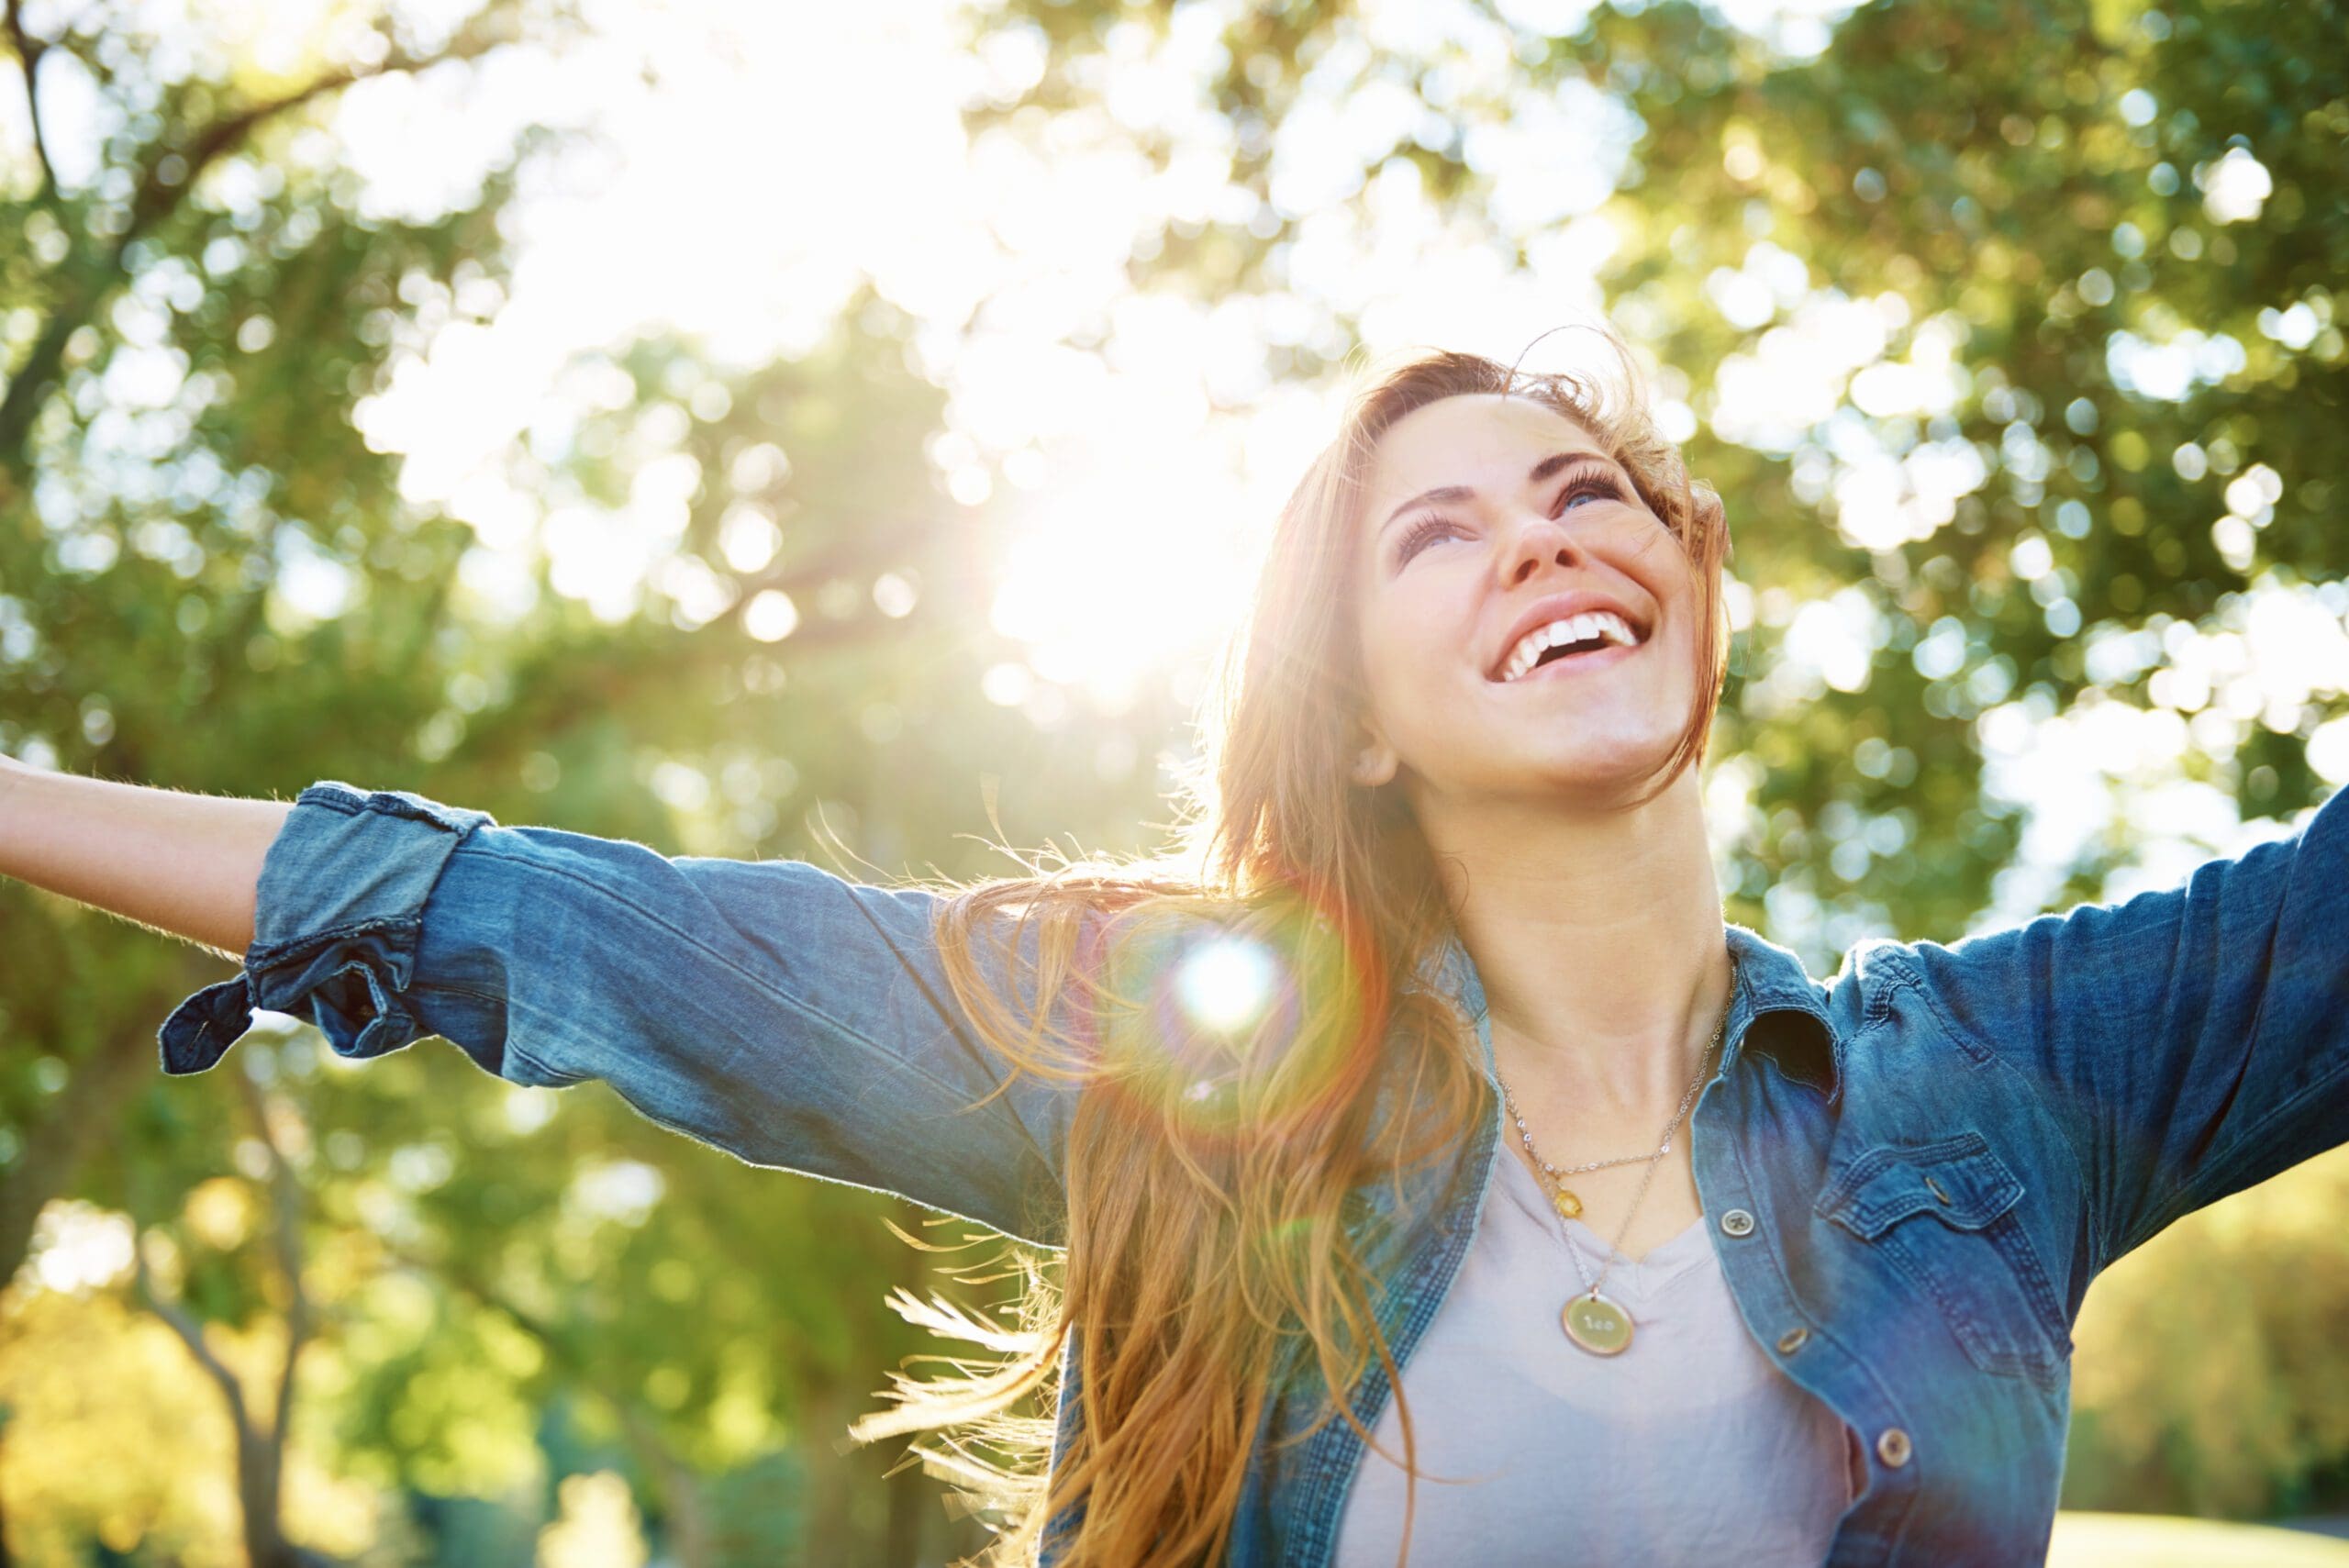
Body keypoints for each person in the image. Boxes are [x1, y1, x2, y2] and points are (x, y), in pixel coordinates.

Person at [6, 332, 2347, 1568]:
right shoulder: (1176, 1064)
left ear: (1688, 582)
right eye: (1439, 534)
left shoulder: (2007, 1077)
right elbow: (566, 918)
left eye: (1587, 494)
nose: (1544, 544)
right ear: (1349, 731)